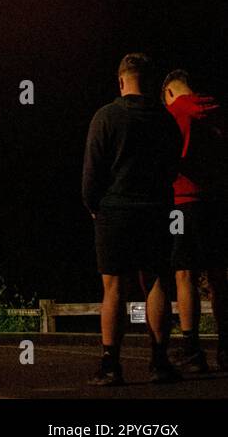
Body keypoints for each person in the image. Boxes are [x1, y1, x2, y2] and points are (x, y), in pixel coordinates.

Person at [82, 52, 184, 385]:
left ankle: (111, 364)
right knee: (157, 282)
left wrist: (94, 204)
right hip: (156, 208)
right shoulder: (165, 120)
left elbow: (92, 172)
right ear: (149, 81)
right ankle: (159, 360)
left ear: (121, 79)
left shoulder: (105, 117)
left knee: (114, 287)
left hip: (115, 210)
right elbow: (172, 167)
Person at [162, 69, 228, 372]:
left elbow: (167, 160)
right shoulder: (216, 110)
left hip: (183, 203)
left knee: (184, 273)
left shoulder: (173, 114)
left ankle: (192, 350)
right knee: (218, 278)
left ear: (169, 93)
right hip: (218, 203)